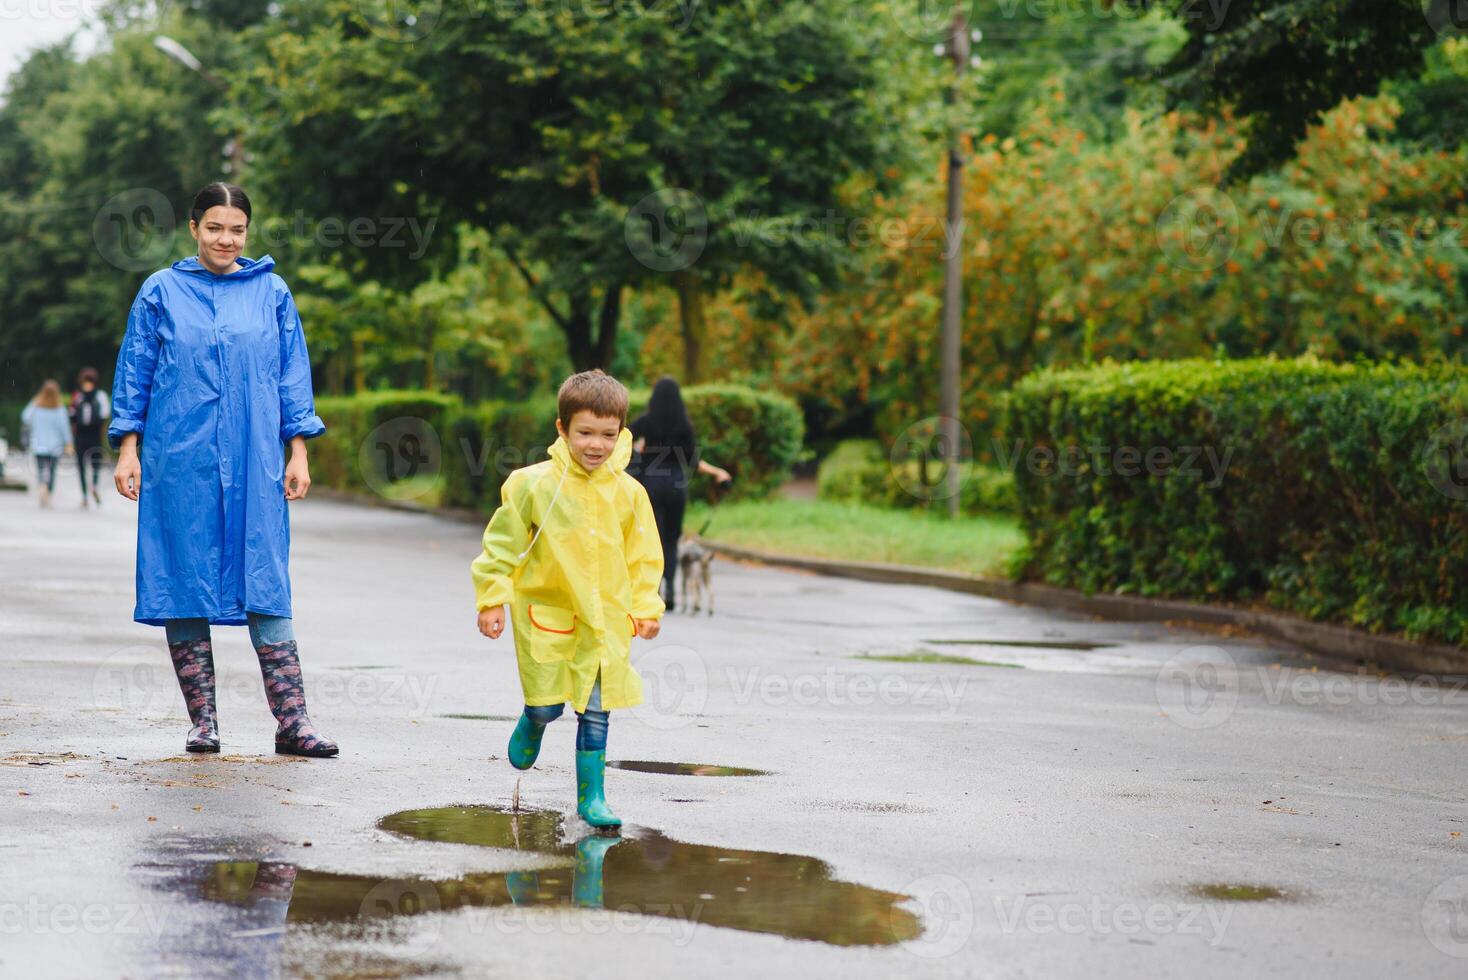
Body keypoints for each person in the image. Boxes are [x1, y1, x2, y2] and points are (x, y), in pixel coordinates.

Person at [109, 182, 336, 757]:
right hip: (178, 459)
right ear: (193, 229)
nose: (226, 239)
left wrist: (299, 449)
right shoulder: (161, 290)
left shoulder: (272, 292)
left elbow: (292, 374)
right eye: (214, 227)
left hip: (255, 457)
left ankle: (294, 722)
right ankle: (203, 722)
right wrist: (128, 448)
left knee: (265, 577)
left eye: (236, 229)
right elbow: (135, 371)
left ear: (247, 232)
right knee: (182, 578)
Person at [472, 369, 665, 828]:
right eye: (585, 433)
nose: (596, 445)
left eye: (607, 434)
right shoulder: (531, 484)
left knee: (597, 710)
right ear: (561, 428)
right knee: (547, 702)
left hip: (607, 620)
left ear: (622, 434)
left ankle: (592, 797)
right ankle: (533, 720)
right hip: (548, 613)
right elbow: (502, 545)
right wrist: (491, 598)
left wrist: (646, 607)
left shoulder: (630, 493)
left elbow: (644, 557)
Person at [628, 376, 732, 609]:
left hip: (650, 485)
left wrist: (637, 450)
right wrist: (718, 472)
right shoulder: (683, 426)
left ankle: (653, 592)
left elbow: (621, 439)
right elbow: (693, 460)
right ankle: (672, 592)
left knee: (652, 539)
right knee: (672, 541)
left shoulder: (646, 422)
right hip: (676, 487)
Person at [21, 380, 73, 508]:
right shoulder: (59, 408)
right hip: (55, 445)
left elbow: (25, 417)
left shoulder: (36, 405)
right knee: (52, 470)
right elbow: (64, 427)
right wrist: (69, 442)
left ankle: (42, 485)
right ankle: (49, 493)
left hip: (39, 443)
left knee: (41, 469)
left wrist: (34, 401)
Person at [70, 367, 111, 509]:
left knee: (88, 464)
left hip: (87, 436)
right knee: (89, 464)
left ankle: (88, 492)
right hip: (90, 435)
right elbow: (104, 416)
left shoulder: (80, 396)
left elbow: (73, 417)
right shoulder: (99, 396)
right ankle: (89, 491)